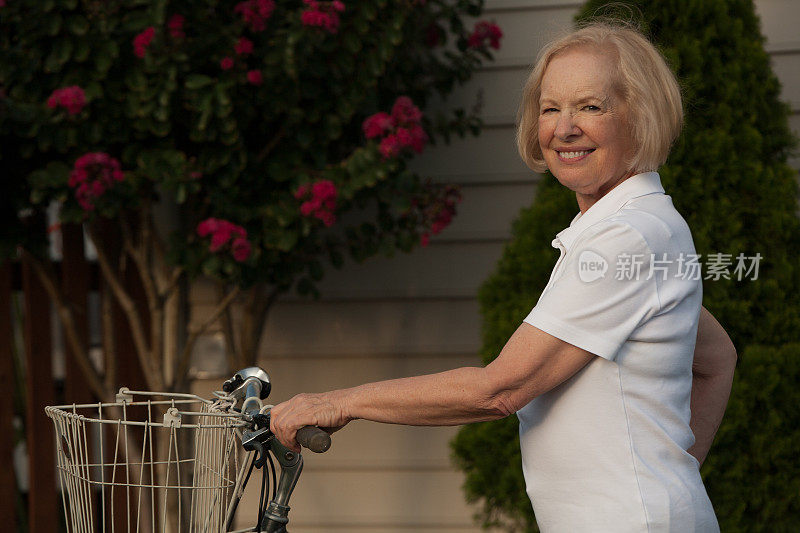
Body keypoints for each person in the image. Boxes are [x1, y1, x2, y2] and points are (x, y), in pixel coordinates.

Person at [270, 21, 737, 532]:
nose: (564, 128)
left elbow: (498, 390)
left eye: (591, 106)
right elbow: (717, 359)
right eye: (550, 107)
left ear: (640, 115)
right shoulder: (644, 227)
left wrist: (339, 402)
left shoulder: (626, 237)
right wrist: (671, 475)